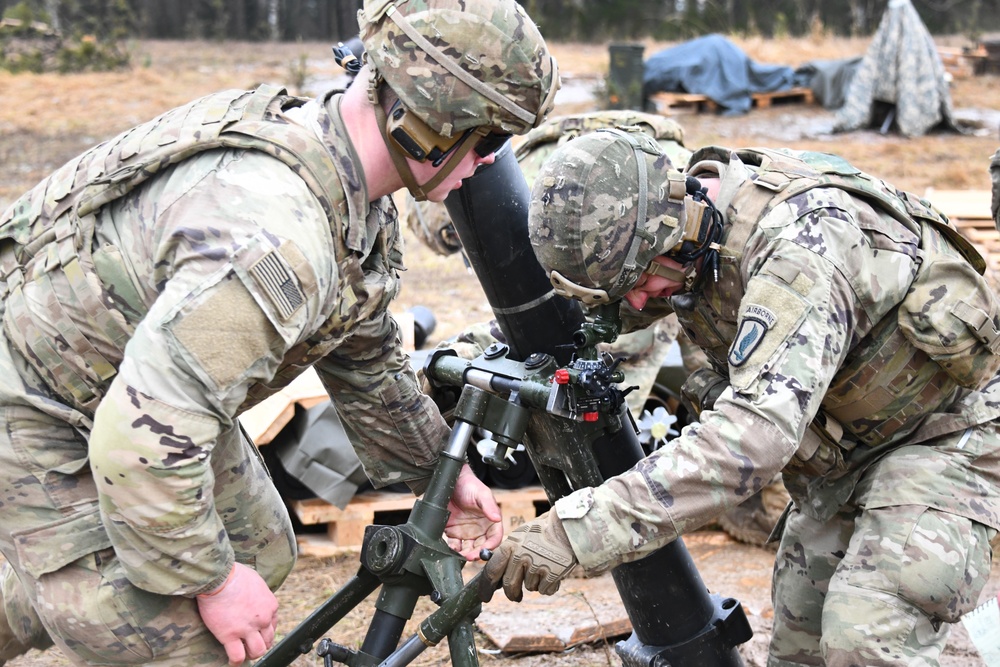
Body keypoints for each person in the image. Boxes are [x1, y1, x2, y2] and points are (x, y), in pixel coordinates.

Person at [0, 0, 558, 665]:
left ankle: (46, 571)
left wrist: (438, 466)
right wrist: (208, 580)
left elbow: (366, 357)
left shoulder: (345, 184)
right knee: (181, 631)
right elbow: (139, 440)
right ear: (430, 124)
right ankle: (59, 567)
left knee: (259, 547)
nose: (490, 165)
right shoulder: (275, 239)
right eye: (488, 140)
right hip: (40, 404)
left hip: (127, 390)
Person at [484, 128, 1000, 666]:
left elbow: (753, 438)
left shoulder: (798, 247)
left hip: (951, 436)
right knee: (802, 651)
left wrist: (577, 531)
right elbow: (590, 322)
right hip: (847, 452)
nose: (636, 302)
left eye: (639, 281)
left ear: (675, 225)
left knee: (866, 638)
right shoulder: (675, 226)